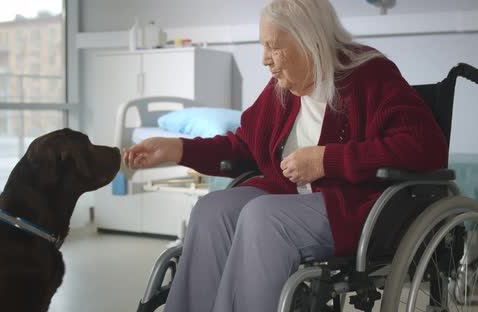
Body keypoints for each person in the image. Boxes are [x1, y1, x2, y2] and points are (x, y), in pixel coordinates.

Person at [123, 0, 448, 311]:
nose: (265, 59)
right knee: (213, 208)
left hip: (350, 207)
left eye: (275, 46)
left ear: (312, 42)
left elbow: (425, 146)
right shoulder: (281, 90)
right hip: (288, 198)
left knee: (263, 216)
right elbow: (244, 145)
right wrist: (178, 148)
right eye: (263, 46)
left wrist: (327, 160)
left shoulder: (369, 74)